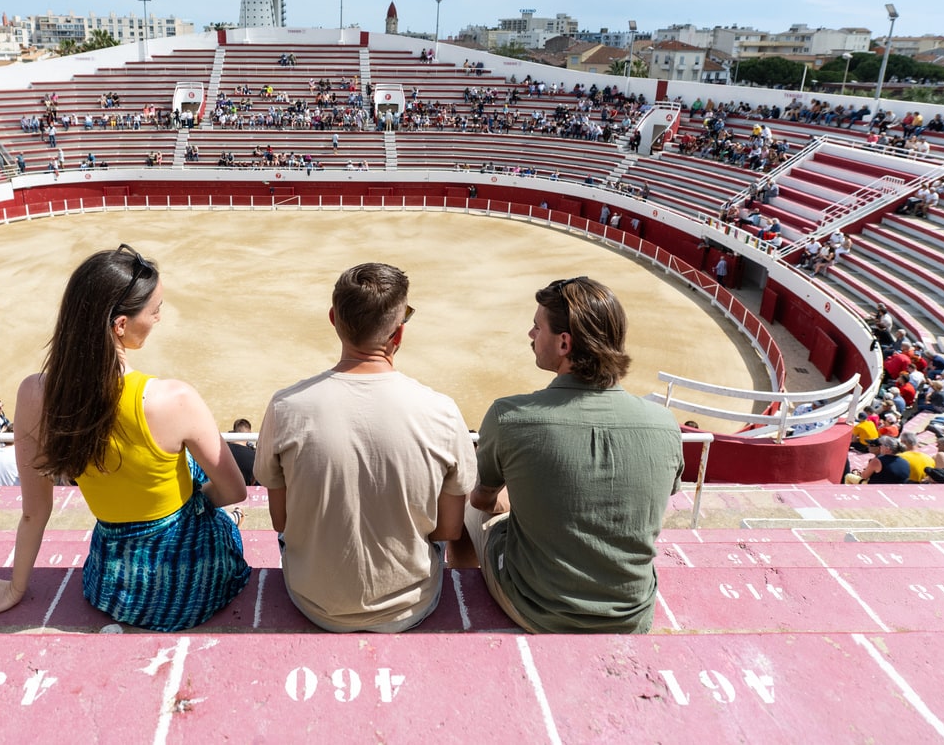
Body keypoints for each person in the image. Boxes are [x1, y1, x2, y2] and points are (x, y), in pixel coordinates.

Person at [0, 244, 247, 632]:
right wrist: (203, 509)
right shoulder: (174, 399)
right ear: (120, 324)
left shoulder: (34, 394)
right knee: (197, 477)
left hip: (113, 585)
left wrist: (15, 589)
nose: (157, 319)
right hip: (190, 581)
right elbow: (234, 490)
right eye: (154, 311)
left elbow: (35, 512)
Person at [255, 262, 475, 633]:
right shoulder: (442, 411)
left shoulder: (285, 407)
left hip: (313, 600)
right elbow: (449, 530)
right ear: (399, 334)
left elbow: (281, 522)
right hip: (411, 604)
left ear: (333, 319)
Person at [456, 276, 682, 634]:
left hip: (538, 607)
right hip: (631, 613)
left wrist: (512, 501)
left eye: (537, 327)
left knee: (466, 503)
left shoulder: (510, 416)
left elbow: (483, 500)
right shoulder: (665, 425)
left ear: (564, 343)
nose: (531, 335)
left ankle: (462, 595)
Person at [227, 418, 257, 486]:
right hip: (244, 494)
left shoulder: (222, 451)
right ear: (250, 434)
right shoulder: (255, 457)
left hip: (221, 493)